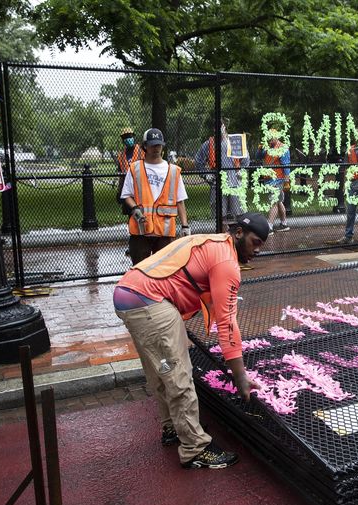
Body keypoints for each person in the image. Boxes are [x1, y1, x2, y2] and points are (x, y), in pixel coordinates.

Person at [113, 213, 268, 468]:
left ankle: (173, 427)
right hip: (149, 301)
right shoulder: (227, 262)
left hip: (129, 293)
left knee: (161, 368)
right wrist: (239, 377)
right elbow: (227, 323)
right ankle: (195, 448)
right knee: (178, 373)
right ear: (238, 233)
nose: (258, 250)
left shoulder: (213, 242)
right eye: (256, 242)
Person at [120, 128, 190, 265]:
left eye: (158, 144)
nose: (156, 148)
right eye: (152, 145)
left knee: (163, 272)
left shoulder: (174, 171)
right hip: (141, 231)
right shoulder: (135, 168)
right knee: (140, 271)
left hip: (164, 233)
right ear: (145, 146)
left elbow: (180, 201)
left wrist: (185, 226)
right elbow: (127, 195)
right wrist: (134, 208)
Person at [195, 119, 249, 229]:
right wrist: (206, 175)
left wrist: (241, 172)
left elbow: (246, 159)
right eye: (215, 127)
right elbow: (198, 161)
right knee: (220, 215)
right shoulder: (208, 144)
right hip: (217, 184)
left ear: (224, 127)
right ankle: (225, 237)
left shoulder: (234, 141)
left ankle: (237, 238)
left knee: (239, 214)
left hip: (235, 184)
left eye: (220, 126)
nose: (217, 129)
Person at [256, 127, 291, 232]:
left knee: (273, 202)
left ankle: (269, 227)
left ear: (276, 137)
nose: (270, 141)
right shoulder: (267, 146)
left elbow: (286, 166)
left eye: (271, 139)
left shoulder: (282, 148)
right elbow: (258, 157)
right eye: (268, 139)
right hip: (269, 179)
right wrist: (260, 148)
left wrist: (286, 181)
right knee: (279, 201)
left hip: (278, 179)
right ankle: (284, 224)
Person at [115, 127, 145, 215]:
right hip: (128, 189)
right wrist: (120, 190)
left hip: (141, 187)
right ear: (123, 140)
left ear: (133, 137)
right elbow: (121, 175)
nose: (128, 139)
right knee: (131, 215)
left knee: (143, 214)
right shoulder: (121, 156)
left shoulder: (142, 151)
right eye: (125, 137)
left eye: (129, 136)